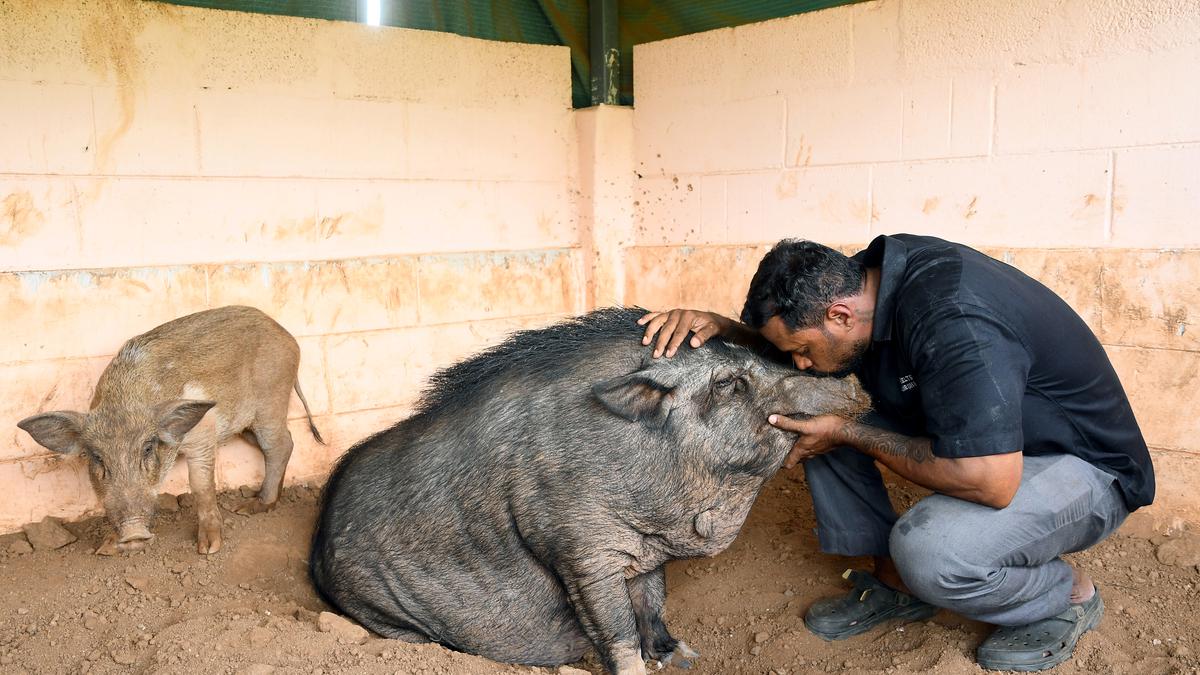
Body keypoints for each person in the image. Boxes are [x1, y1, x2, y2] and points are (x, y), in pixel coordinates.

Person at [638, 233, 1154, 672]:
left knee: (931, 550)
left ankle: (1064, 597)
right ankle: (895, 584)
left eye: (800, 348)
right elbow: (813, 352)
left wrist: (847, 431)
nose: (798, 361)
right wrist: (727, 330)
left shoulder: (955, 319)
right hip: (994, 447)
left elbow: (991, 482)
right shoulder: (869, 281)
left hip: (1082, 469)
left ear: (839, 315)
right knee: (807, 408)